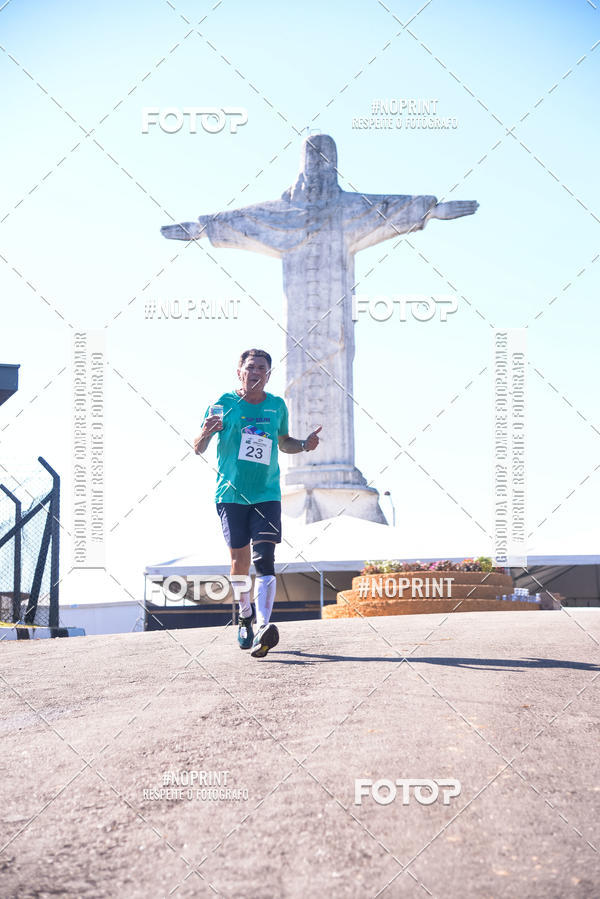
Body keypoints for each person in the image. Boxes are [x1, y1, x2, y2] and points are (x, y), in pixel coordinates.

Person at [194, 349, 321, 658]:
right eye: (250, 367)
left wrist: (304, 445)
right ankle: (245, 615)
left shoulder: (276, 406)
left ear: (268, 374)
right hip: (231, 495)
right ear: (239, 371)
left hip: (267, 493)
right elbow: (198, 447)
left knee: (265, 557)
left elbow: (284, 442)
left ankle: (264, 626)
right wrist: (206, 433)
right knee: (239, 562)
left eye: (262, 368)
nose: (256, 372)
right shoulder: (223, 403)